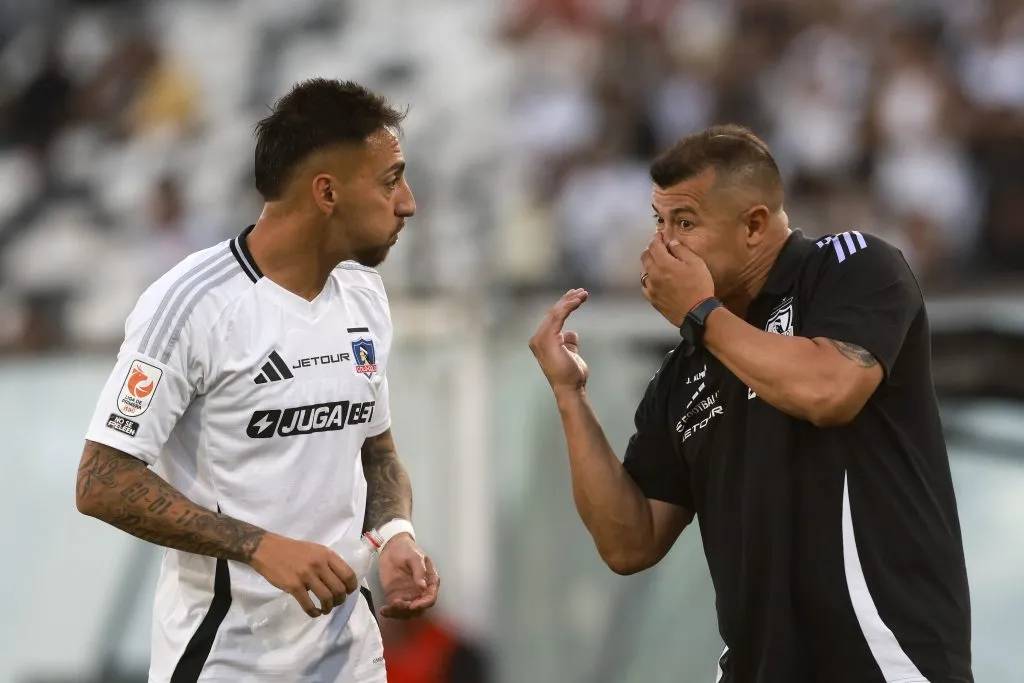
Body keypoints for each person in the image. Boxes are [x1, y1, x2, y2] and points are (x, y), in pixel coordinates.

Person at [529, 125, 973, 683]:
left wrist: (700, 314)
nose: (663, 246)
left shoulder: (851, 266)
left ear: (755, 225)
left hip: (884, 658)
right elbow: (628, 541)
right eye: (658, 222)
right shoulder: (686, 368)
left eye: (685, 223)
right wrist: (570, 396)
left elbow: (828, 390)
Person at [76, 78, 440, 683]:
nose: (408, 202)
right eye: (390, 179)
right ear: (327, 192)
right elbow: (100, 479)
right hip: (225, 659)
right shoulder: (191, 306)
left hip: (350, 658)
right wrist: (259, 546)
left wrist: (395, 534)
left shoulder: (363, 295)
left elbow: (376, 452)